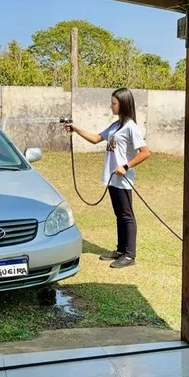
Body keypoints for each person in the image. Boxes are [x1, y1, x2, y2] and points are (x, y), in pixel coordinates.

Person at [66, 88, 150, 268]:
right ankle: (120, 250)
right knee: (119, 214)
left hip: (123, 178)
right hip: (112, 177)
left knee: (127, 215)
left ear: (124, 104)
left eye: (114, 103)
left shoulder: (131, 127)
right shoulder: (115, 125)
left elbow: (145, 153)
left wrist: (126, 166)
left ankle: (129, 255)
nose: (111, 106)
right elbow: (96, 138)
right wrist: (76, 128)